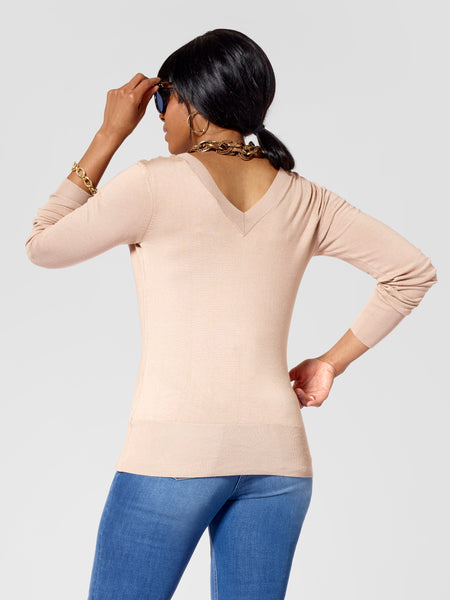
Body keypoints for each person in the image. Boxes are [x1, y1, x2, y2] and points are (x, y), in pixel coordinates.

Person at [25, 28, 437, 600]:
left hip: (172, 453)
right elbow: (412, 271)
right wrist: (329, 364)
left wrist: (109, 132)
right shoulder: (305, 198)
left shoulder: (152, 184)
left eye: (163, 99)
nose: (158, 116)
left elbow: (43, 244)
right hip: (279, 460)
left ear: (194, 106)